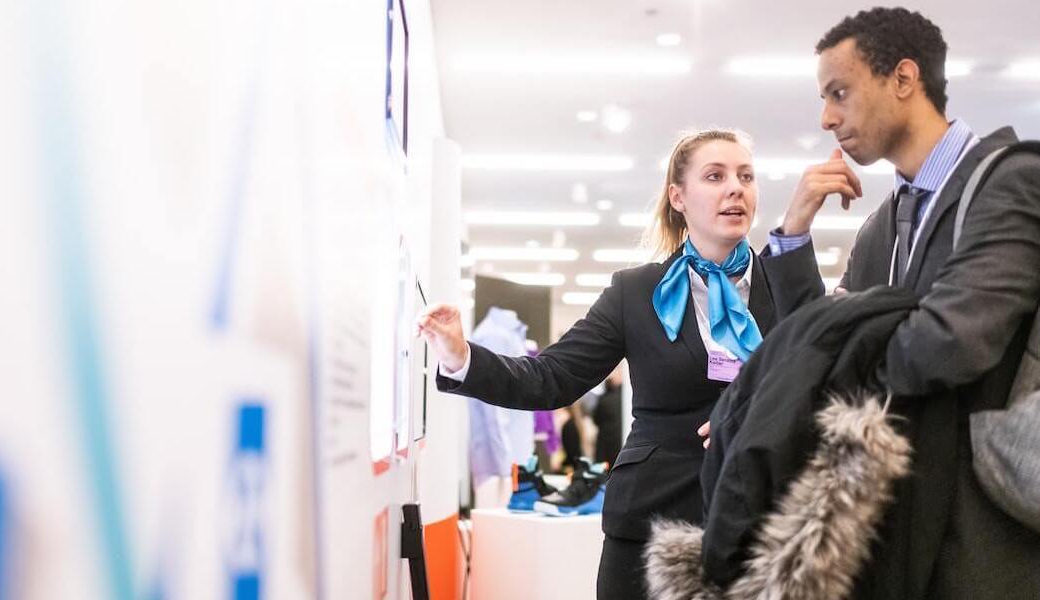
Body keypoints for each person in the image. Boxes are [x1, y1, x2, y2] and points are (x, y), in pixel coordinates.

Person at [416, 129, 823, 598]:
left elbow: (820, 377)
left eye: (746, 176)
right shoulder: (636, 293)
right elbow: (551, 379)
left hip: (763, 521)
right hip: (652, 522)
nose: (736, 188)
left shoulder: (787, 282)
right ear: (678, 196)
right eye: (715, 176)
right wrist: (459, 356)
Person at [768, 7, 1040, 597]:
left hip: (987, 544)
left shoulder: (1009, 182)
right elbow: (814, 347)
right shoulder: (882, 229)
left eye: (839, 93)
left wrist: (831, 357)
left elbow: (948, 344)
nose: (826, 117)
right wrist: (791, 237)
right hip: (901, 536)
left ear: (903, 78)